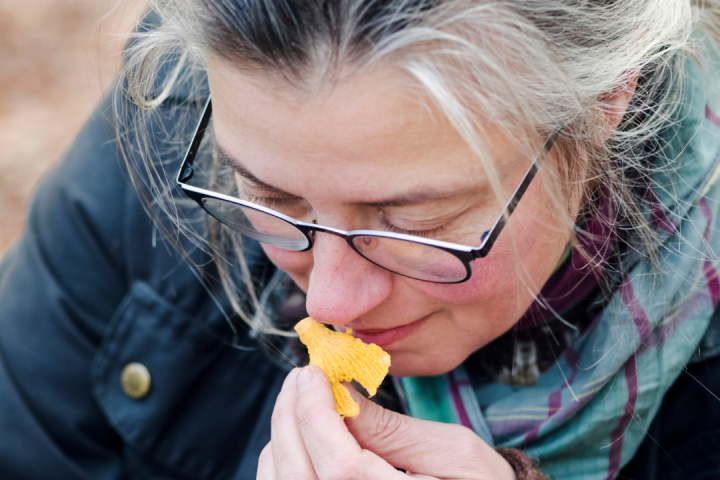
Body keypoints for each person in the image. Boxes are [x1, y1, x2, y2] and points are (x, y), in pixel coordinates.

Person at [3, 0, 720, 478]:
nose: (329, 300)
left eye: (418, 221)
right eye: (270, 197)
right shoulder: (174, 121)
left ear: (604, 100)